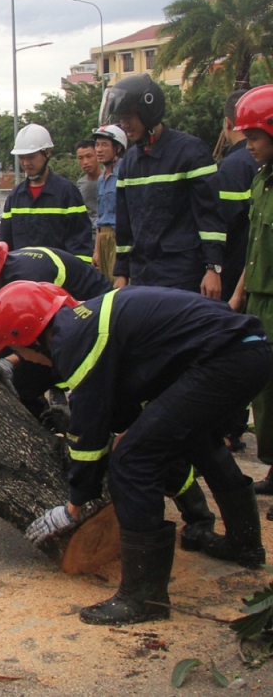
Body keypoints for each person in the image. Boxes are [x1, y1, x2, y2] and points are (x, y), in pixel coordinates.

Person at [0, 280, 269, 626]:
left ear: (27, 336)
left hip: (223, 360)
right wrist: (124, 431)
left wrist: (74, 506)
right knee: (198, 439)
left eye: (15, 349)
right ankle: (245, 546)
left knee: (134, 461)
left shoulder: (74, 342)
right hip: (245, 352)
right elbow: (122, 405)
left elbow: (89, 439)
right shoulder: (84, 322)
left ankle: (142, 597)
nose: (23, 358)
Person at [0, 228, 217, 541]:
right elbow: (25, 338)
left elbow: (42, 329)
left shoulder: (30, 275)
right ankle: (56, 455)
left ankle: (196, 514)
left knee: (130, 430)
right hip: (69, 341)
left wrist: (11, 361)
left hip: (99, 343)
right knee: (53, 403)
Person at [107, 74, 227, 296]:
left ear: (148, 112)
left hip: (183, 274)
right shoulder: (129, 162)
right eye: (121, 119)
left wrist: (213, 268)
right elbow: (124, 226)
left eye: (128, 117)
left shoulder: (191, 152)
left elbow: (210, 216)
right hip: (142, 274)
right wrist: (122, 273)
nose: (124, 125)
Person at [228, 85, 273, 500]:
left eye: (255, 137)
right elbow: (254, 248)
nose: (249, 145)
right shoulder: (261, 182)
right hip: (259, 299)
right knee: (265, 392)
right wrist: (239, 294)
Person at [0, 123, 94, 261]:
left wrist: (77, 277)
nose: (25, 163)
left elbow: (80, 245)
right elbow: (5, 243)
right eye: (21, 157)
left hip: (58, 278)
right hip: (22, 278)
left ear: (47, 153)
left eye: (31, 156)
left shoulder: (67, 192)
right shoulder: (15, 196)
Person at [218, 90, 258, 302]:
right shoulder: (260, 167)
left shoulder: (233, 166)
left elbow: (224, 225)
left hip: (234, 277)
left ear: (228, 123)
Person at [91, 125, 126, 277]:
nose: (99, 149)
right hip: (103, 238)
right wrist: (97, 251)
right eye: (97, 145)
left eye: (104, 145)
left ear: (118, 148)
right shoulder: (101, 179)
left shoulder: (125, 173)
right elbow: (100, 218)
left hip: (119, 238)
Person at [74, 139, 101, 227]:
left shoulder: (110, 180)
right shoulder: (79, 184)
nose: (85, 162)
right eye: (80, 158)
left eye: (89, 156)